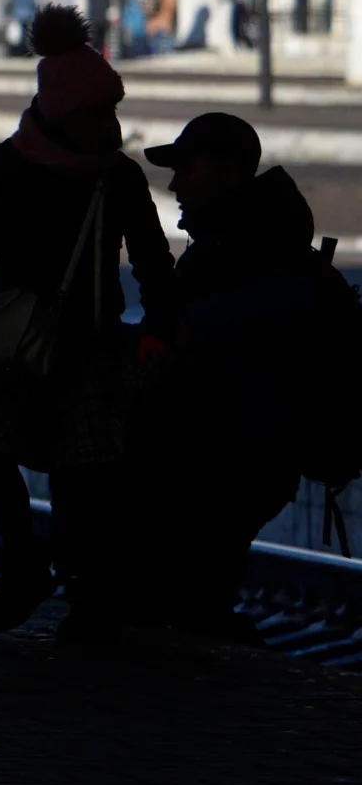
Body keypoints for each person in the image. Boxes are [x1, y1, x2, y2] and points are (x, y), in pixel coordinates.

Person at [0, 6, 173, 641]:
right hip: (16, 338)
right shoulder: (21, 165)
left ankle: (77, 587)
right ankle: (27, 564)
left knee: (71, 469)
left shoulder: (111, 175)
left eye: (111, 111)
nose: (109, 125)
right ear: (62, 110)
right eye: (96, 113)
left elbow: (155, 262)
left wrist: (161, 325)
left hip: (84, 341)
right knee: (2, 449)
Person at [133, 113, 318, 639]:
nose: (174, 185)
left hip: (235, 451)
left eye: (186, 169)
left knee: (197, 583)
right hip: (226, 447)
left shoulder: (260, 249)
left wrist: (176, 333)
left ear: (227, 175)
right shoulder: (229, 242)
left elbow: (259, 322)